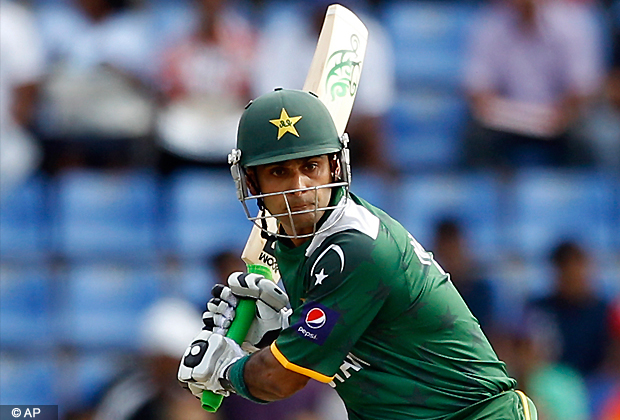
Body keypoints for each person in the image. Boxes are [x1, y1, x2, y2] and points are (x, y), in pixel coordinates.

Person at [177, 89, 538, 420]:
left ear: (335, 166)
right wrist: (279, 330)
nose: (300, 188)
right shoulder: (297, 247)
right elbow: (345, 339)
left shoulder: (354, 249)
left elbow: (281, 380)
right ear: (253, 183)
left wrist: (226, 371)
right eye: (279, 172)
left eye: (310, 167)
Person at [463, 0, 604, 169]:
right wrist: (491, 107)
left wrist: (563, 113)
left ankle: (577, 192)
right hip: (505, 118)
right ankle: (487, 192)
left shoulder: (573, 22)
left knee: (587, 136)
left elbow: (583, 86)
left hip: (561, 117)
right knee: (476, 136)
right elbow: (477, 85)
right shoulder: (489, 23)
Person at [525, 241, 611, 377]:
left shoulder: (605, 311)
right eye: (565, 270)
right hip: (553, 383)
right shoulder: (540, 310)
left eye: (577, 269)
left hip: (596, 383)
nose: (572, 276)